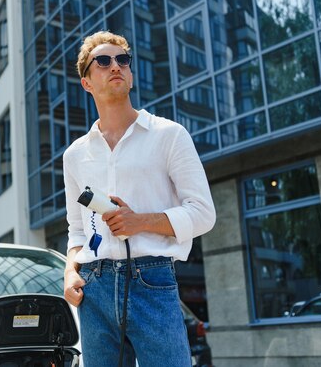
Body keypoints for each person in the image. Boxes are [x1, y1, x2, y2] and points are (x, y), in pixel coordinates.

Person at [62, 31, 216, 367]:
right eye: (103, 61)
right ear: (87, 82)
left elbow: (204, 213)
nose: (115, 66)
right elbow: (77, 231)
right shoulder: (75, 155)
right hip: (95, 287)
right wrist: (69, 271)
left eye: (122, 60)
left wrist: (141, 221)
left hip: (152, 280)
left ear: (130, 75)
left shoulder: (169, 135)